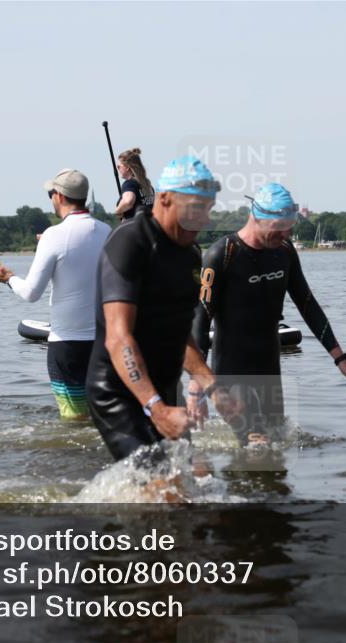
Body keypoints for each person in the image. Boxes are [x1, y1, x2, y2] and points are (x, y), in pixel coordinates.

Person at [189, 183, 346, 445]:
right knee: (257, 442)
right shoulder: (222, 255)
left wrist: (341, 358)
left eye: (289, 226)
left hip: (269, 368)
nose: (287, 232)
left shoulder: (284, 251)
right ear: (258, 218)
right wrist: (197, 387)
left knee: (277, 449)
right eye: (280, 226)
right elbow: (200, 322)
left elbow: (307, 304)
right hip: (232, 372)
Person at [86, 155, 226, 463]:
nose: (203, 220)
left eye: (208, 209)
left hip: (164, 391)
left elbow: (181, 335)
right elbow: (118, 337)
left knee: (186, 486)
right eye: (196, 208)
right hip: (118, 393)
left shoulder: (190, 255)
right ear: (164, 199)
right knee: (159, 488)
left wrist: (213, 387)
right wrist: (156, 408)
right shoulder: (130, 241)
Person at [0, 168, 110, 419]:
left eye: (50, 194)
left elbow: (32, 293)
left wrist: (9, 279)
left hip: (66, 345)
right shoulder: (107, 232)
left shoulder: (53, 236)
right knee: (99, 420)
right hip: (103, 345)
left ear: (60, 197)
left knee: (74, 421)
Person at [114, 148, 155, 221]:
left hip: (135, 228)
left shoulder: (129, 184)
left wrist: (118, 211)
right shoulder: (148, 184)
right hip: (150, 227)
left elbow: (128, 201)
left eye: (118, 166)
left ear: (127, 167)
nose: (117, 169)